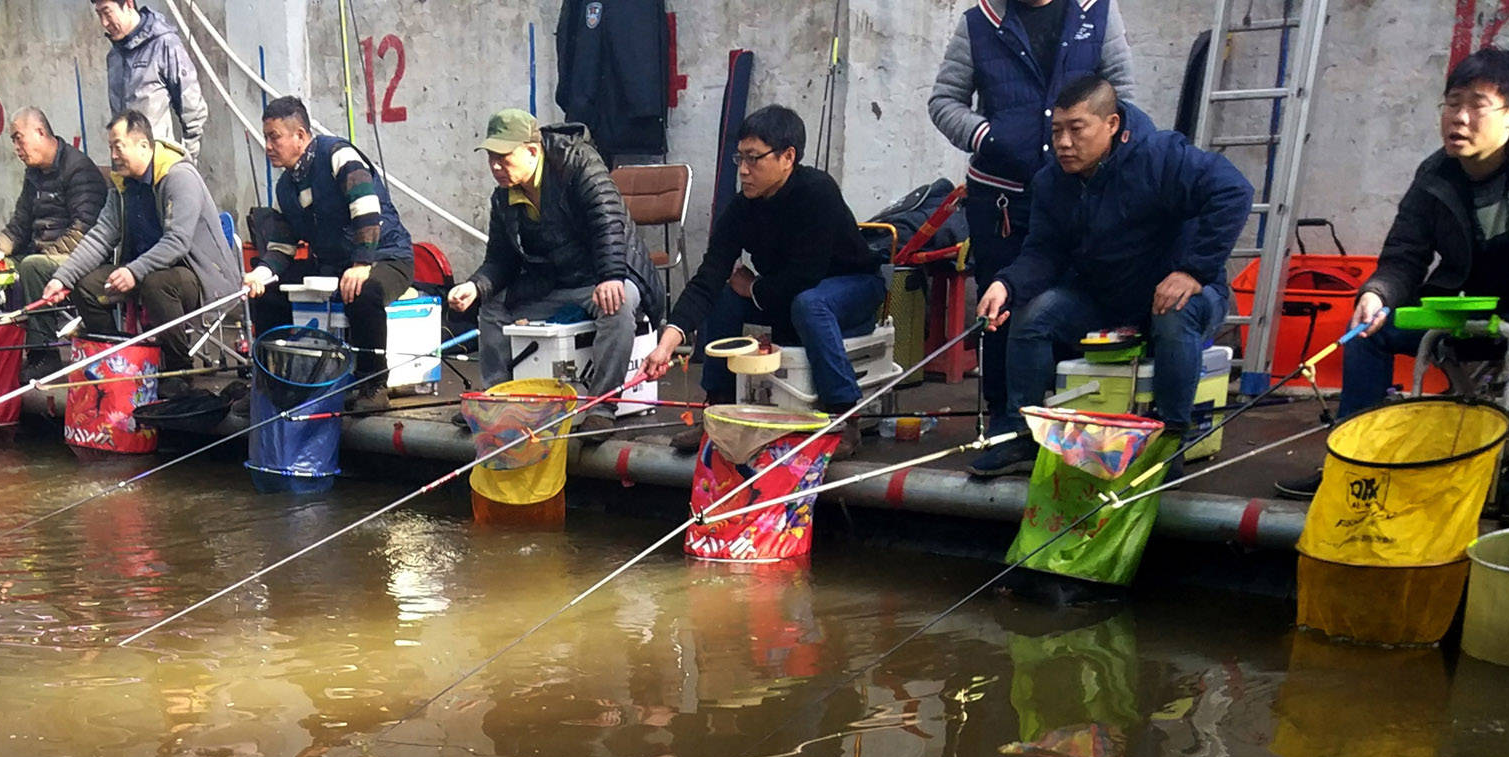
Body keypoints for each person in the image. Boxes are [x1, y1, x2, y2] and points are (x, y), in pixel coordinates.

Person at [1272, 48, 1509, 523]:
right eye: (1452, 103)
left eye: (1476, 105)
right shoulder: (1435, 173)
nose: (1460, 118)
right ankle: (1350, 466)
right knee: (1367, 331)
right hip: (1467, 306)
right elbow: (1404, 254)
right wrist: (1378, 293)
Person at [968, 77, 1252, 477]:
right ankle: (1022, 434)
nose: (1064, 143)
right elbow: (1043, 252)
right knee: (1034, 314)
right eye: (1056, 131)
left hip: (1180, 294)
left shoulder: (1160, 157)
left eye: (1076, 129)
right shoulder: (1052, 180)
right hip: (1104, 299)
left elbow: (1234, 191)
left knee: (1175, 310)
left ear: (1112, 124)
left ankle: (1170, 442)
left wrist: (1192, 270)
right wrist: (1006, 285)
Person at [929, 0, 1138, 428]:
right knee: (1000, 312)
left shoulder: (1096, 13)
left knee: (1068, 304)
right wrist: (988, 136)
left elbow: (1124, 97)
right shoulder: (978, 22)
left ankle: (1069, 420)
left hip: (1077, 196)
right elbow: (944, 101)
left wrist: (1108, 163)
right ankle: (1006, 422)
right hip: (1001, 201)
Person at [636, 104, 885, 453]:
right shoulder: (742, 209)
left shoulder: (818, 192)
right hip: (786, 297)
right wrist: (667, 343)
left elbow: (805, 276)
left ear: (788, 157)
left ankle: (844, 416)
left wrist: (754, 288)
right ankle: (718, 409)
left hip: (851, 288)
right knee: (724, 298)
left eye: (754, 159)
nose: (744, 171)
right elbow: (709, 276)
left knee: (810, 303)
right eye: (740, 159)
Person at [447, 109, 642, 398]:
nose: (495, 167)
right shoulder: (503, 196)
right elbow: (500, 259)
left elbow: (608, 221)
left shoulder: (579, 164)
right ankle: (497, 398)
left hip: (599, 278)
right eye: (491, 157)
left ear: (531, 151)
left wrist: (612, 275)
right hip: (552, 284)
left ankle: (602, 404)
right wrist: (475, 286)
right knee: (492, 307)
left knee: (618, 305)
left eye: (504, 158)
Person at [248, 95, 418, 411]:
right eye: (266, 138)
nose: (268, 146)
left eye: (274, 137)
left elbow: (367, 207)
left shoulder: (338, 154)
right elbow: (283, 246)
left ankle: (372, 384)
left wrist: (362, 261)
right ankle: (275, 383)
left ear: (300, 135)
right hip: (333, 264)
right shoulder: (285, 187)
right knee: (268, 295)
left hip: (387, 255)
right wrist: (261, 273)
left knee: (364, 292)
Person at [34, 110, 242, 358]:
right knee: (86, 287)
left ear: (144, 145)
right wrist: (63, 278)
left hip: (199, 277)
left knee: (157, 285)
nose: (113, 156)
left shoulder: (178, 177)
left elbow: (178, 241)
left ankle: (178, 372)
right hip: (146, 271)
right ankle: (119, 358)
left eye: (118, 147)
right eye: (111, 147)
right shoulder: (123, 185)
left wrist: (134, 271)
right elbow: (101, 236)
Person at [0, 108, 108, 305]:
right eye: (13, 141)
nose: (16, 148)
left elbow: (83, 231)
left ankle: (40, 335)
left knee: (32, 267)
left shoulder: (78, 169)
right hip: (36, 257)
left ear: (40, 132)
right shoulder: (33, 173)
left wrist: (42, 259)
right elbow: (18, 228)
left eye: (18, 138)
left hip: (71, 258)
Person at [97, 0, 206, 160]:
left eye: (107, 13)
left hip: (159, 165)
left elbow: (193, 109)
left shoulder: (164, 45)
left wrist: (186, 159)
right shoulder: (114, 57)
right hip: (126, 168)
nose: (104, 22)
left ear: (128, 4)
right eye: (99, 14)